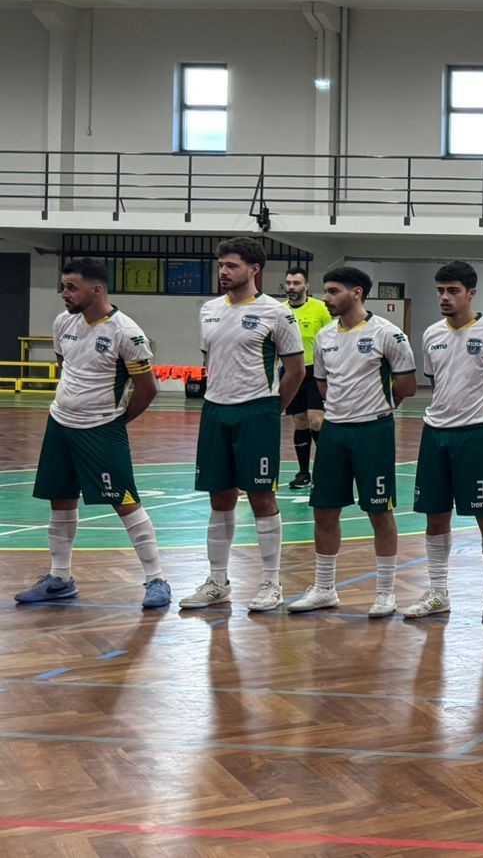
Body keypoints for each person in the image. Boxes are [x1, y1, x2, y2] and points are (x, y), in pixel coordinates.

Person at [13, 258, 170, 609]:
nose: (63, 294)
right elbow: (66, 366)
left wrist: (117, 421)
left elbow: (148, 389)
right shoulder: (63, 322)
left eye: (72, 287)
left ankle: (156, 579)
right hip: (60, 424)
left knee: (125, 501)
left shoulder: (126, 332)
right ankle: (60, 578)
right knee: (60, 499)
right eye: (63, 286)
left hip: (101, 429)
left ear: (96, 290)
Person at [180, 238, 305, 613]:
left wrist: (272, 410)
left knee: (261, 497)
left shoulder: (276, 313)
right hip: (215, 411)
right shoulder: (209, 310)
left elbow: (296, 370)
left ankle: (271, 582)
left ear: (254, 270)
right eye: (221, 265)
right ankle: (217, 582)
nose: (223, 271)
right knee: (219, 498)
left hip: (257, 412)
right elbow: (211, 360)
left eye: (231, 265)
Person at [287, 267, 416, 617]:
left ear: (356, 293)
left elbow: (406, 385)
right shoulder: (325, 335)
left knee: (379, 510)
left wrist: (377, 405)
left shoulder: (388, 333)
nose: (326, 298)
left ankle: (386, 591)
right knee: (324, 510)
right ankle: (324, 588)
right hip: (334, 431)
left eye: (333, 291)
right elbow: (323, 384)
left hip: (373, 431)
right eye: (326, 291)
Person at [401, 261, 483, 622]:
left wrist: (482, 413)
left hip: (475, 435)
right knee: (435, 516)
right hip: (435, 434)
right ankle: (438, 593)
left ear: (471, 293)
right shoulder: (431, 334)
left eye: (453, 291)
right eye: (440, 291)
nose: (445, 297)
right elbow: (437, 382)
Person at [281, 267, 333, 491]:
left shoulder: (320, 308)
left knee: (316, 420)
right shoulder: (279, 311)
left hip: (316, 372)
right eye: (288, 283)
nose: (291, 287)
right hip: (291, 372)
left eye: (296, 283)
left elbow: (332, 338)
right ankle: (304, 473)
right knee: (300, 421)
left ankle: (326, 470)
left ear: (306, 286)